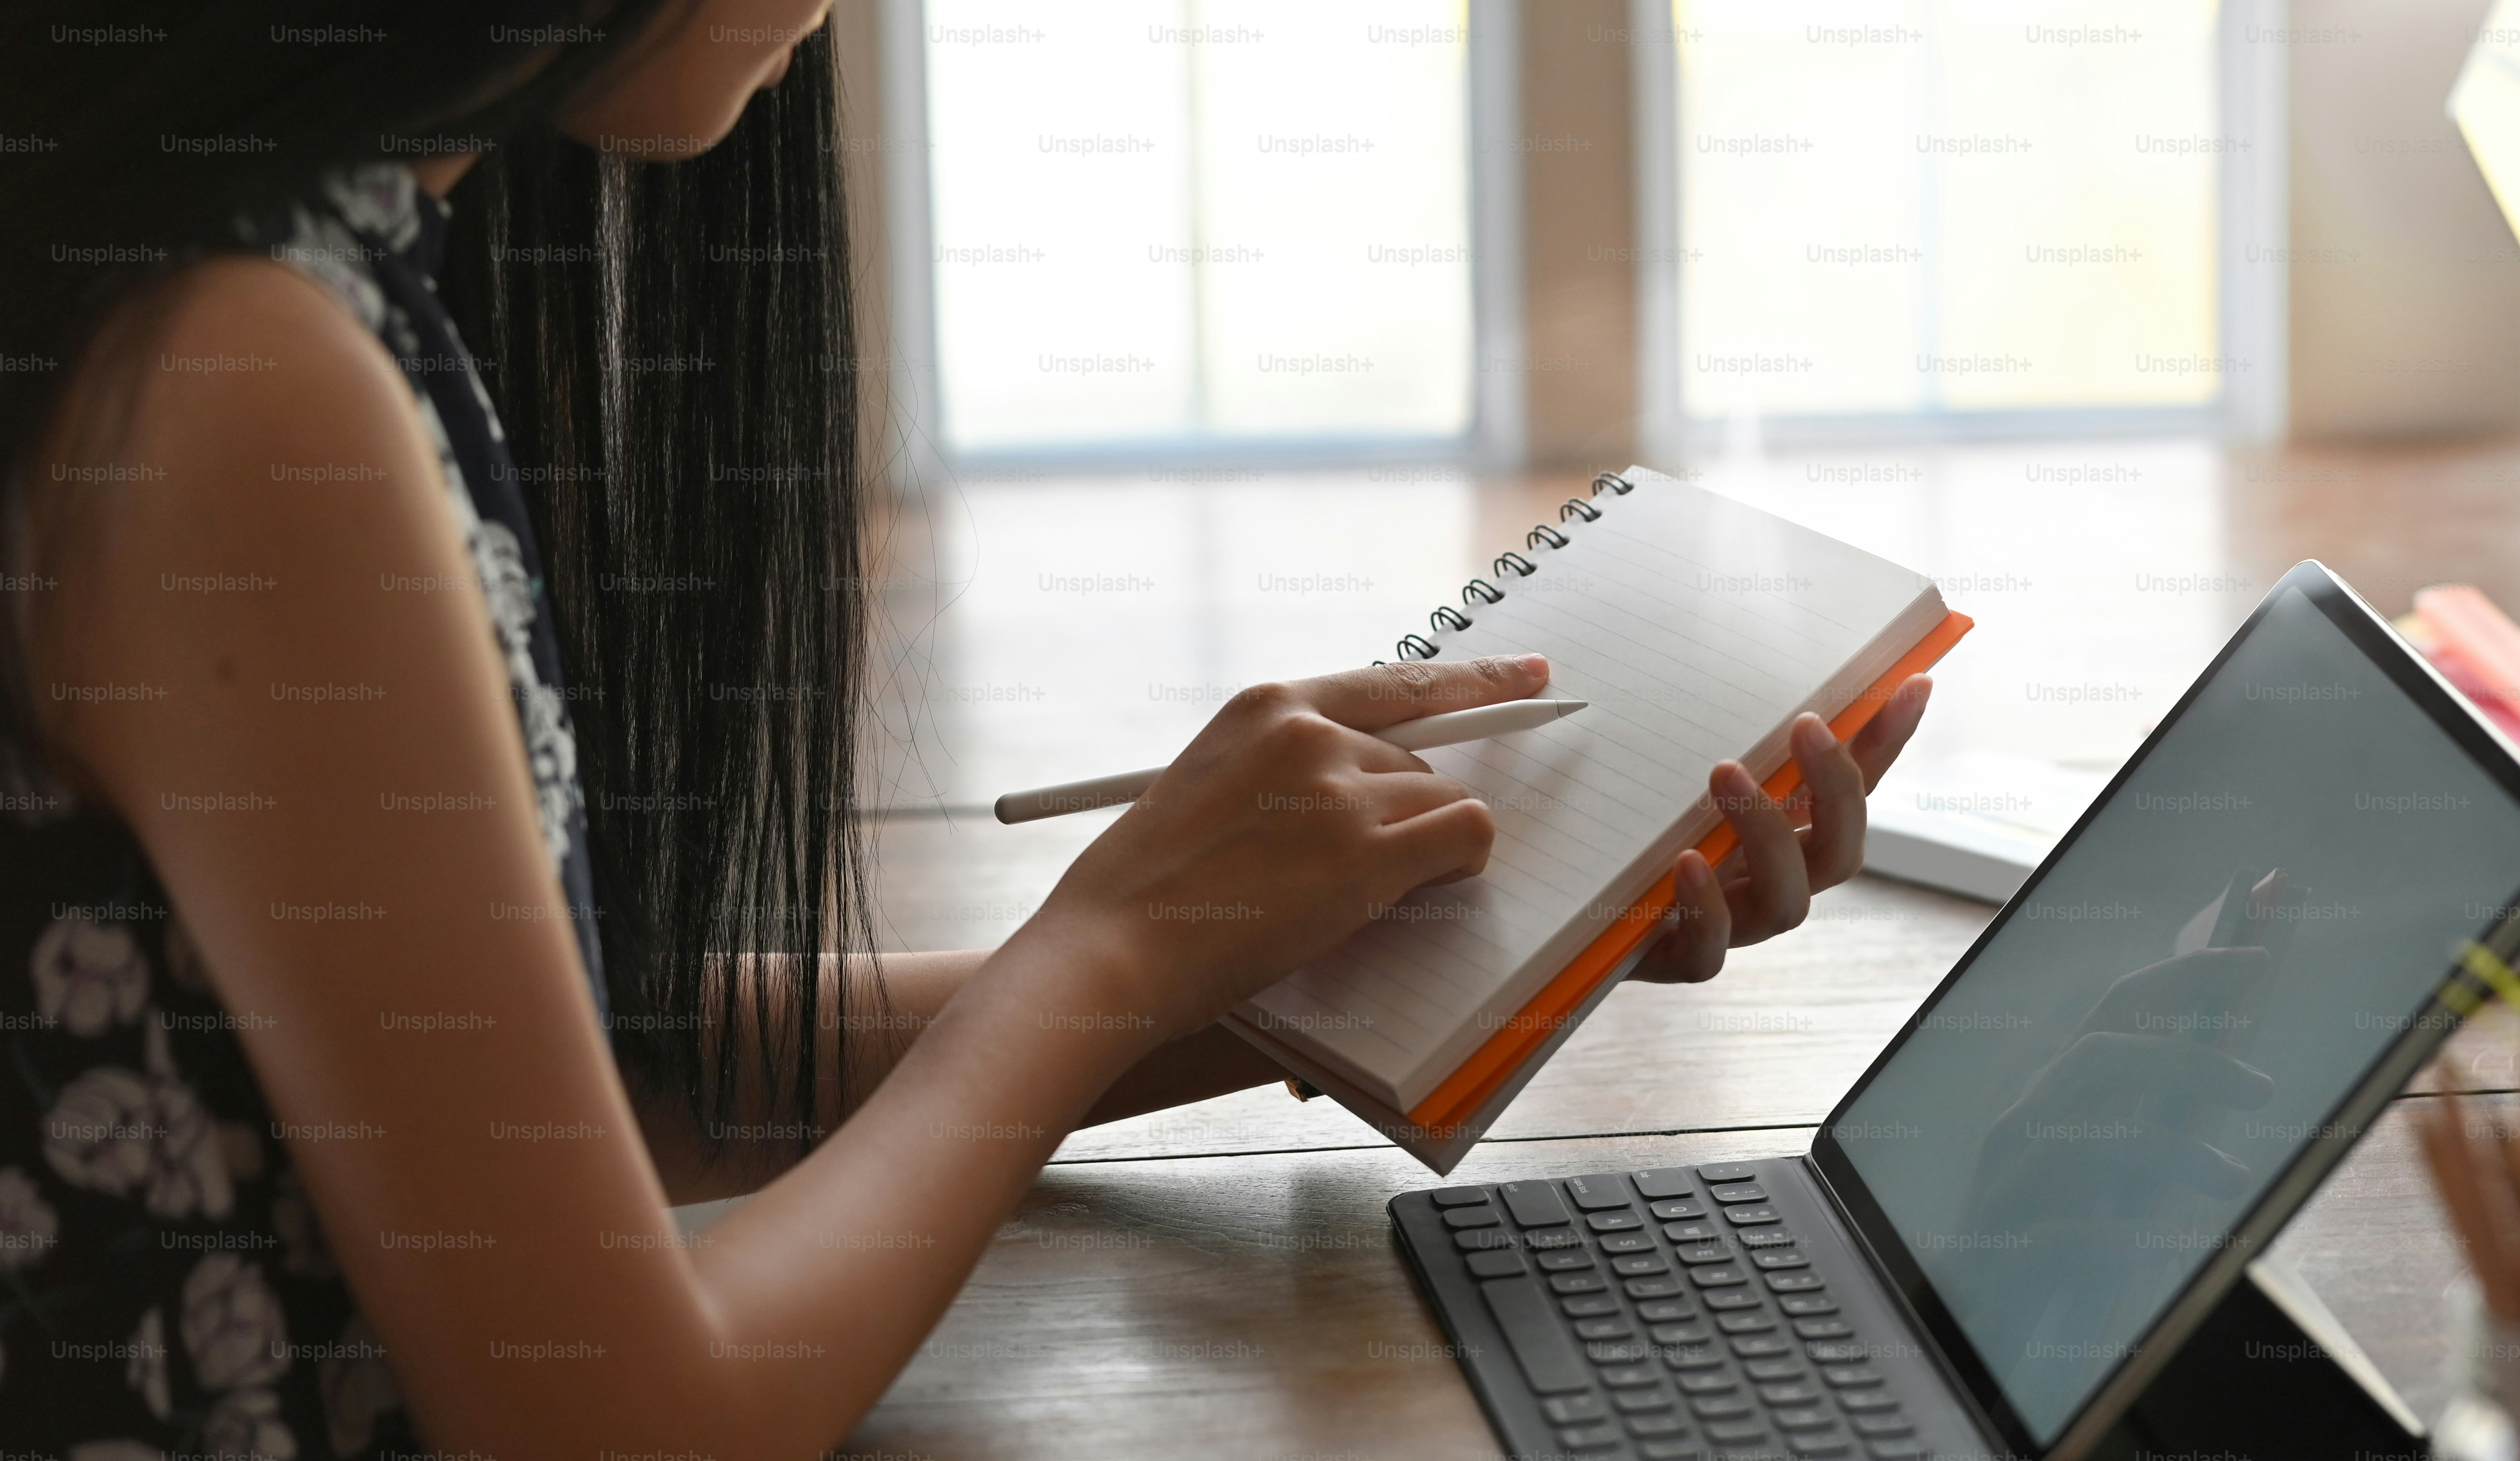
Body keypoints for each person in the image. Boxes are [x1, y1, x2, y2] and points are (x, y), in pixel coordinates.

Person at [0, 1, 1934, 1454]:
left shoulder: (263, 269)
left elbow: (576, 1101)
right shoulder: (243, 373)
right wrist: (1107, 948)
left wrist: (1357, 947)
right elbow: (613, 1414)